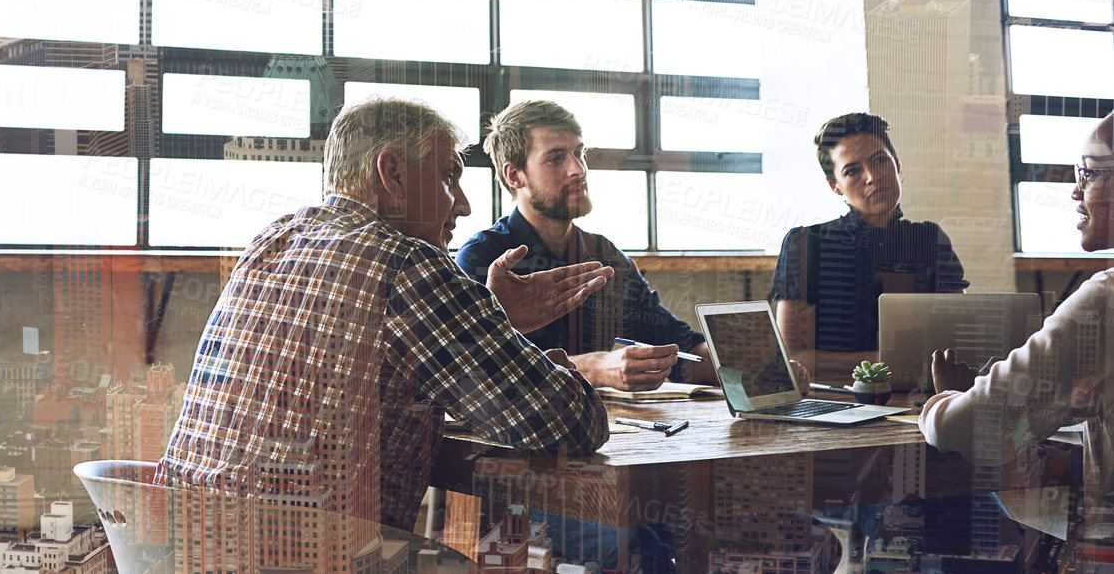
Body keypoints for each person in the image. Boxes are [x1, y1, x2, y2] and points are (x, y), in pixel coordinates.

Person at [158, 98, 614, 545]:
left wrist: (487, 321)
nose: (463, 205)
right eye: (448, 176)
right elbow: (573, 424)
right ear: (392, 174)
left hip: (183, 548)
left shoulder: (274, 239)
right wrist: (557, 363)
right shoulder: (407, 265)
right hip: (307, 560)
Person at [922, 113, 1114, 550]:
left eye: (1087, 172)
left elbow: (963, 429)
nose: (1074, 190)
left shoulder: (1107, 298)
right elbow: (1068, 407)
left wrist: (951, 401)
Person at [457, 99, 717, 390]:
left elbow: (685, 352)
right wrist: (593, 368)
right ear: (514, 175)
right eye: (556, 158)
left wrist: (744, 358)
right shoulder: (482, 258)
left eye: (579, 153)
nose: (579, 169)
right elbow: (471, 368)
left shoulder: (605, 256)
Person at [771, 112, 968, 379]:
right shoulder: (805, 244)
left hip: (921, 398)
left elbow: (960, 343)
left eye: (880, 161)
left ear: (897, 163)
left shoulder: (930, 240)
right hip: (833, 402)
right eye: (852, 171)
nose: (872, 177)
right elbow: (793, 357)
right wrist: (885, 362)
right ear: (835, 186)